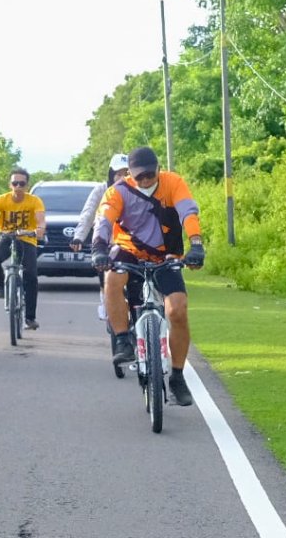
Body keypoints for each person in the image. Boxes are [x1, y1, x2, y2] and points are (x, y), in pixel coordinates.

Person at [91, 146, 205, 406]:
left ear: (158, 168)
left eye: (150, 174)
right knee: (111, 279)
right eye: (139, 176)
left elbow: (188, 211)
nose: (145, 180)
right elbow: (105, 219)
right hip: (128, 251)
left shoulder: (173, 183)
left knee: (177, 309)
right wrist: (98, 248)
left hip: (166, 255)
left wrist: (196, 243)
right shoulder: (118, 191)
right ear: (130, 174)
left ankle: (177, 376)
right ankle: (122, 339)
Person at [0, 168, 46, 331]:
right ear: (10, 184)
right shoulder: (1, 200)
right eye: (15, 183)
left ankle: (30, 318)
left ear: (27, 185)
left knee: (31, 276)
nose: (18, 187)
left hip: (26, 238)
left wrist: (39, 229)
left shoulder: (34, 201)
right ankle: (2, 286)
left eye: (22, 183)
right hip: (7, 236)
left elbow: (41, 220)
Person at [69, 153, 130, 320]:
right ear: (111, 175)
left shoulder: (137, 190)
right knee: (105, 272)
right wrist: (79, 237)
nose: (123, 178)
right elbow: (88, 213)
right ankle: (106, 300)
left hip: (130, 242)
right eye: (119, 174)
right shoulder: (101, 190)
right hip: (105, 240)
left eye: (127, 173)